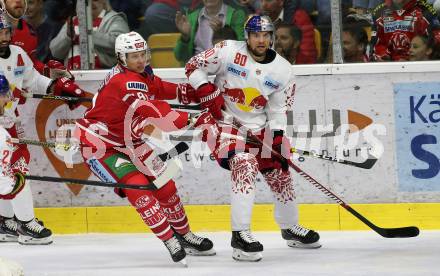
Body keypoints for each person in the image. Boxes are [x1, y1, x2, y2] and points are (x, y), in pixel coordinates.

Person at [184, 15, 321, 262]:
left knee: (280, 170)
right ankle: (240, 235)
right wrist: (205, 89)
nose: (261, 40)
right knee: (244, 163)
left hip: (257, 128)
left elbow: (278, 110)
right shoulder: (227, 51)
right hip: (221, 122)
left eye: (266, 35)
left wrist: (277, 136)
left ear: (272, 37)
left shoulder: (283, 70)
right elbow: (192, 66)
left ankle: (290, 228)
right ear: (247, 36)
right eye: (256, 35)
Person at [75, 31, 216, 265]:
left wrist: (193, 93)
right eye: (133, 56)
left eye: (143, 54)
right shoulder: (125, 81)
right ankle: (170, 239)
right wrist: (193, 119)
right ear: (121, 57)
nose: (140, 60)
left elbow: (158, 87)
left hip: (131, 141)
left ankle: (185, 235)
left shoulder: (139, 73)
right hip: (100, 145)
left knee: (166, 185)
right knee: (138, 188)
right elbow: (153, 110)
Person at [0, 10, 86, 245]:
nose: (3, 37)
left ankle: (5, 221)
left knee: (9, 171)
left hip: (10, 122)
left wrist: (57, 88)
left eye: (6, 31)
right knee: (15, 170)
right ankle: (26, 224)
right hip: (1, 126)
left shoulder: (17, 54)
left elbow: (33, 79)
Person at [50, 0, 130, 69]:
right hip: (73, 76)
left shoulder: (115, 19)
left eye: (95, 0)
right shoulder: (73, 21)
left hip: (106, 75)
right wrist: (68, 36)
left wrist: (86, 34)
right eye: (86, 0)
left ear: (104, 1)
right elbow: (55, 52)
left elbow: (123, 44)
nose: (90, 3)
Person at [174, 0, 246, 64]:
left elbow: (240, 50)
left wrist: (223, 33)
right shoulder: (191, 17)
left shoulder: (236, 15)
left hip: (223, 68)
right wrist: (185, 37)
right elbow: (180, 57)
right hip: (197, 69)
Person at [371, 0, 440, 61]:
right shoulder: (379, 12)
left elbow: (436, 41)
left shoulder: (425, 12)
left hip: (418, 66)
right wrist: (385, 58)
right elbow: (374, 45)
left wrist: (410, 61)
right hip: (388, 68)